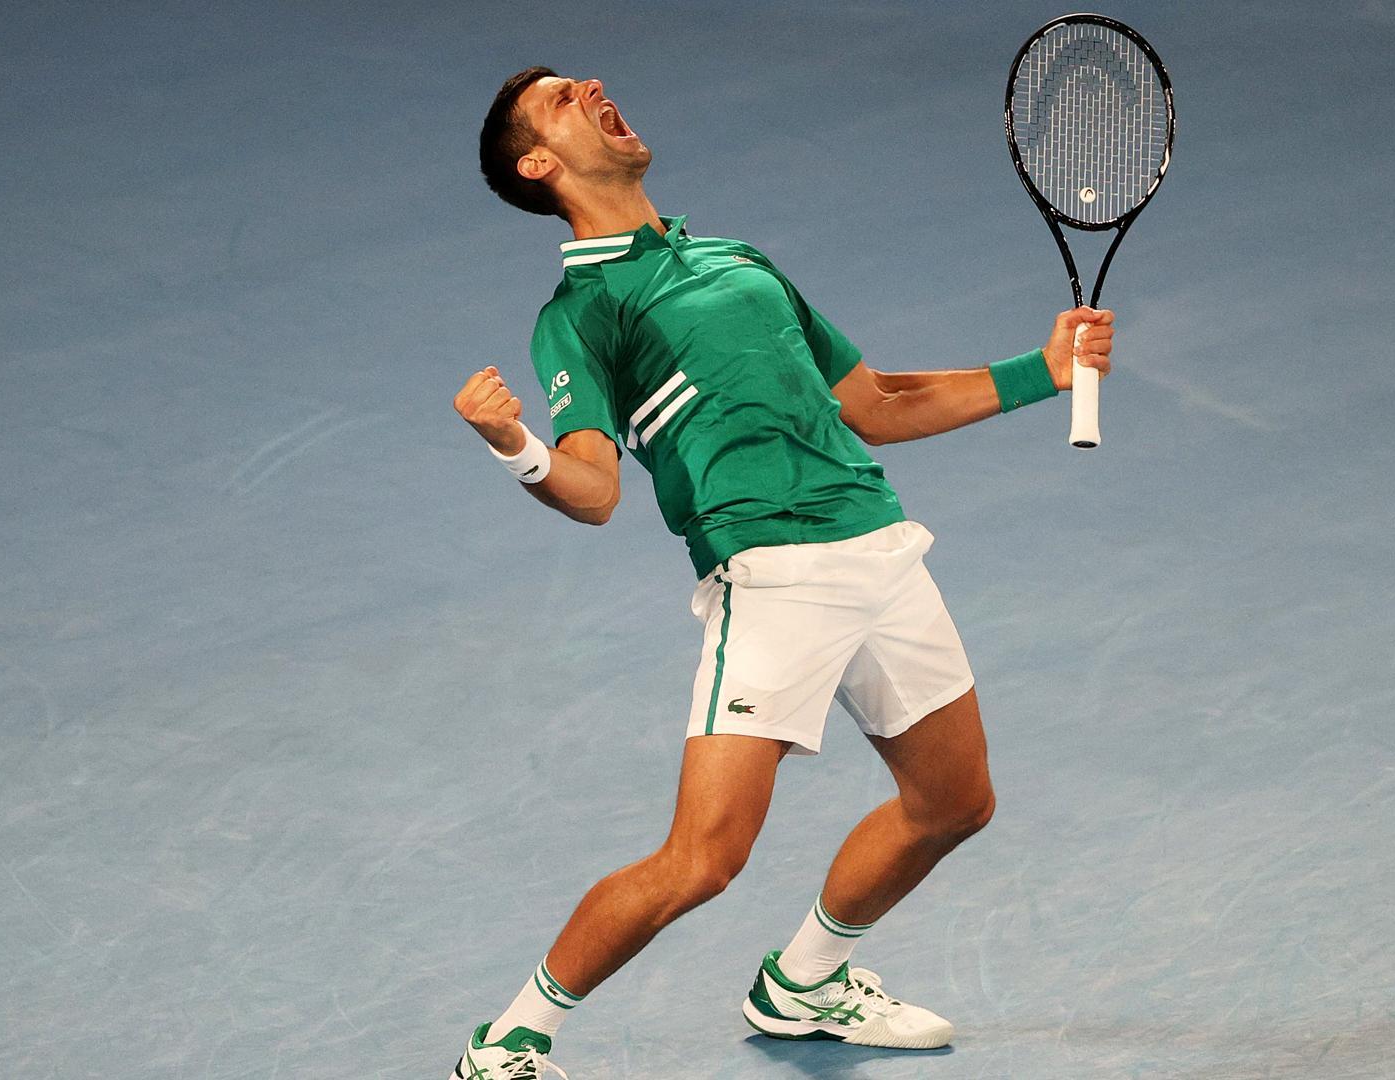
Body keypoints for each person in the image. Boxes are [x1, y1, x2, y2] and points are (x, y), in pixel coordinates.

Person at [451, 65, 1114, 1079]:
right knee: (703, 860)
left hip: (880, 550)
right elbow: (593, 490)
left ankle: (802, 983)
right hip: (771, 579)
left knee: (954, 803)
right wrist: (516, 445)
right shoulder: (581, 312)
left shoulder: (738, 259)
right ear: (539, 165)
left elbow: (876, 404)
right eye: (555, 99)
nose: (588, 85)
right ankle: (509, 1041)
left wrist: (1042, 370)